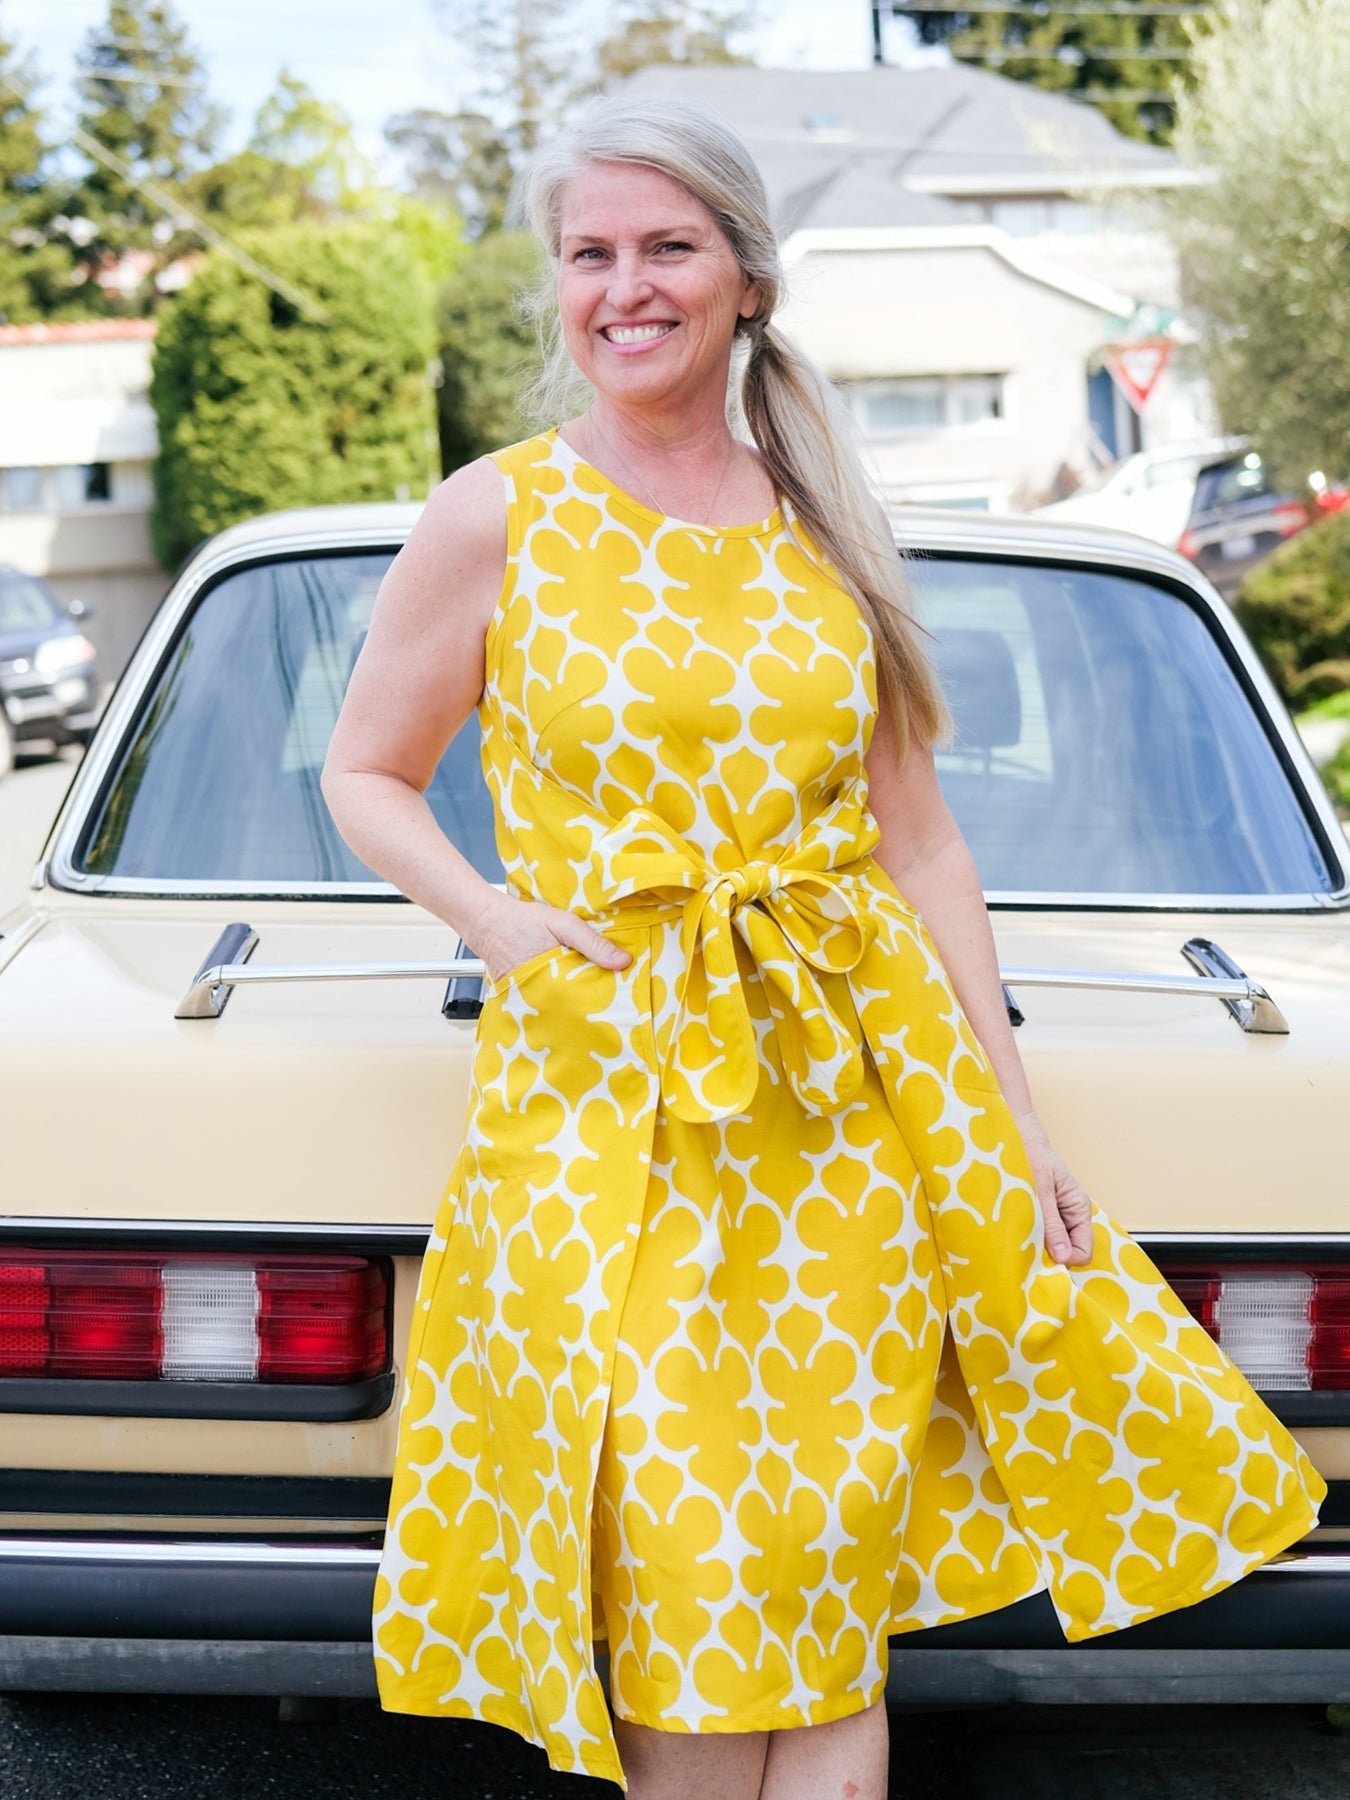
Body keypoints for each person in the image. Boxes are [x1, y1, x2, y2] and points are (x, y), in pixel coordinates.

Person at [320, 94, 1324, 1800]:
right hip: (615, 1105)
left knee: (821, 1576)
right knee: (692, 1573)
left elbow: (919, 841)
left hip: (849, 1112)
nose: (625, 287)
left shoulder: (823, 518)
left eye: (666, 247)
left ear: (745, 278)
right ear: (558, 285)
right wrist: (492, 916)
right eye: (589, 254)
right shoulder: (498, 514)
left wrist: (1016, 1125)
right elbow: (364, 773)